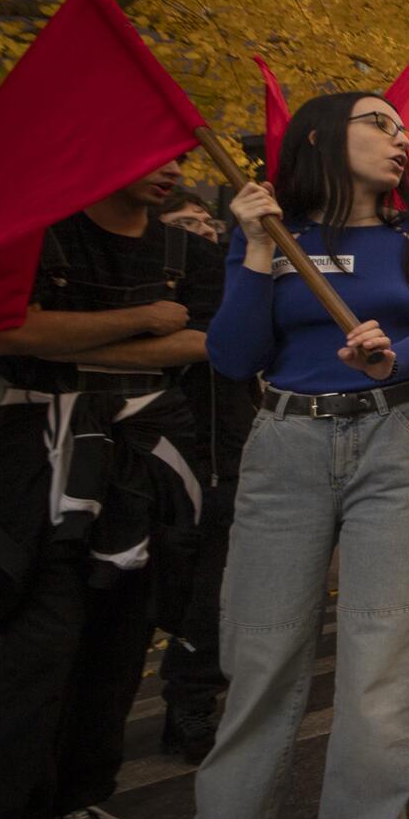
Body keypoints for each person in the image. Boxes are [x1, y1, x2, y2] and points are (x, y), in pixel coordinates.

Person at [140, 93, 409, 819]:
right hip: (284, 448)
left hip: (396, 441)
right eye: (378, 122)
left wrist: (394, 354)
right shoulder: (270, 234)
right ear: (320, 135)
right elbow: (232, 355)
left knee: (380, 662)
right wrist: (253, 250)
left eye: (403, 128)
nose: (401, 138)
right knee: (260, 660)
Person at [0, 162, 219, 819]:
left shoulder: (189, 254)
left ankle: (76, 799)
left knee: (119, 641)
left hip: (144, 465)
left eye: (177, 154)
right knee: (35, 642)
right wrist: (143, 319)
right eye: (153, 153)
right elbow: (8, 331)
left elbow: (203, 343)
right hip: (43, 461)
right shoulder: (39, 234)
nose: (171, 168)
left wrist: (69, 339)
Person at [152, 195, 256, 767]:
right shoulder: (154, 279)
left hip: (228, 456)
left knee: (212, 591)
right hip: (153, 452)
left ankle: (190, 702)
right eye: (184, 225)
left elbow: (243, 344)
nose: (202, 232)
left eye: (206, 223)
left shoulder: (230, 277)